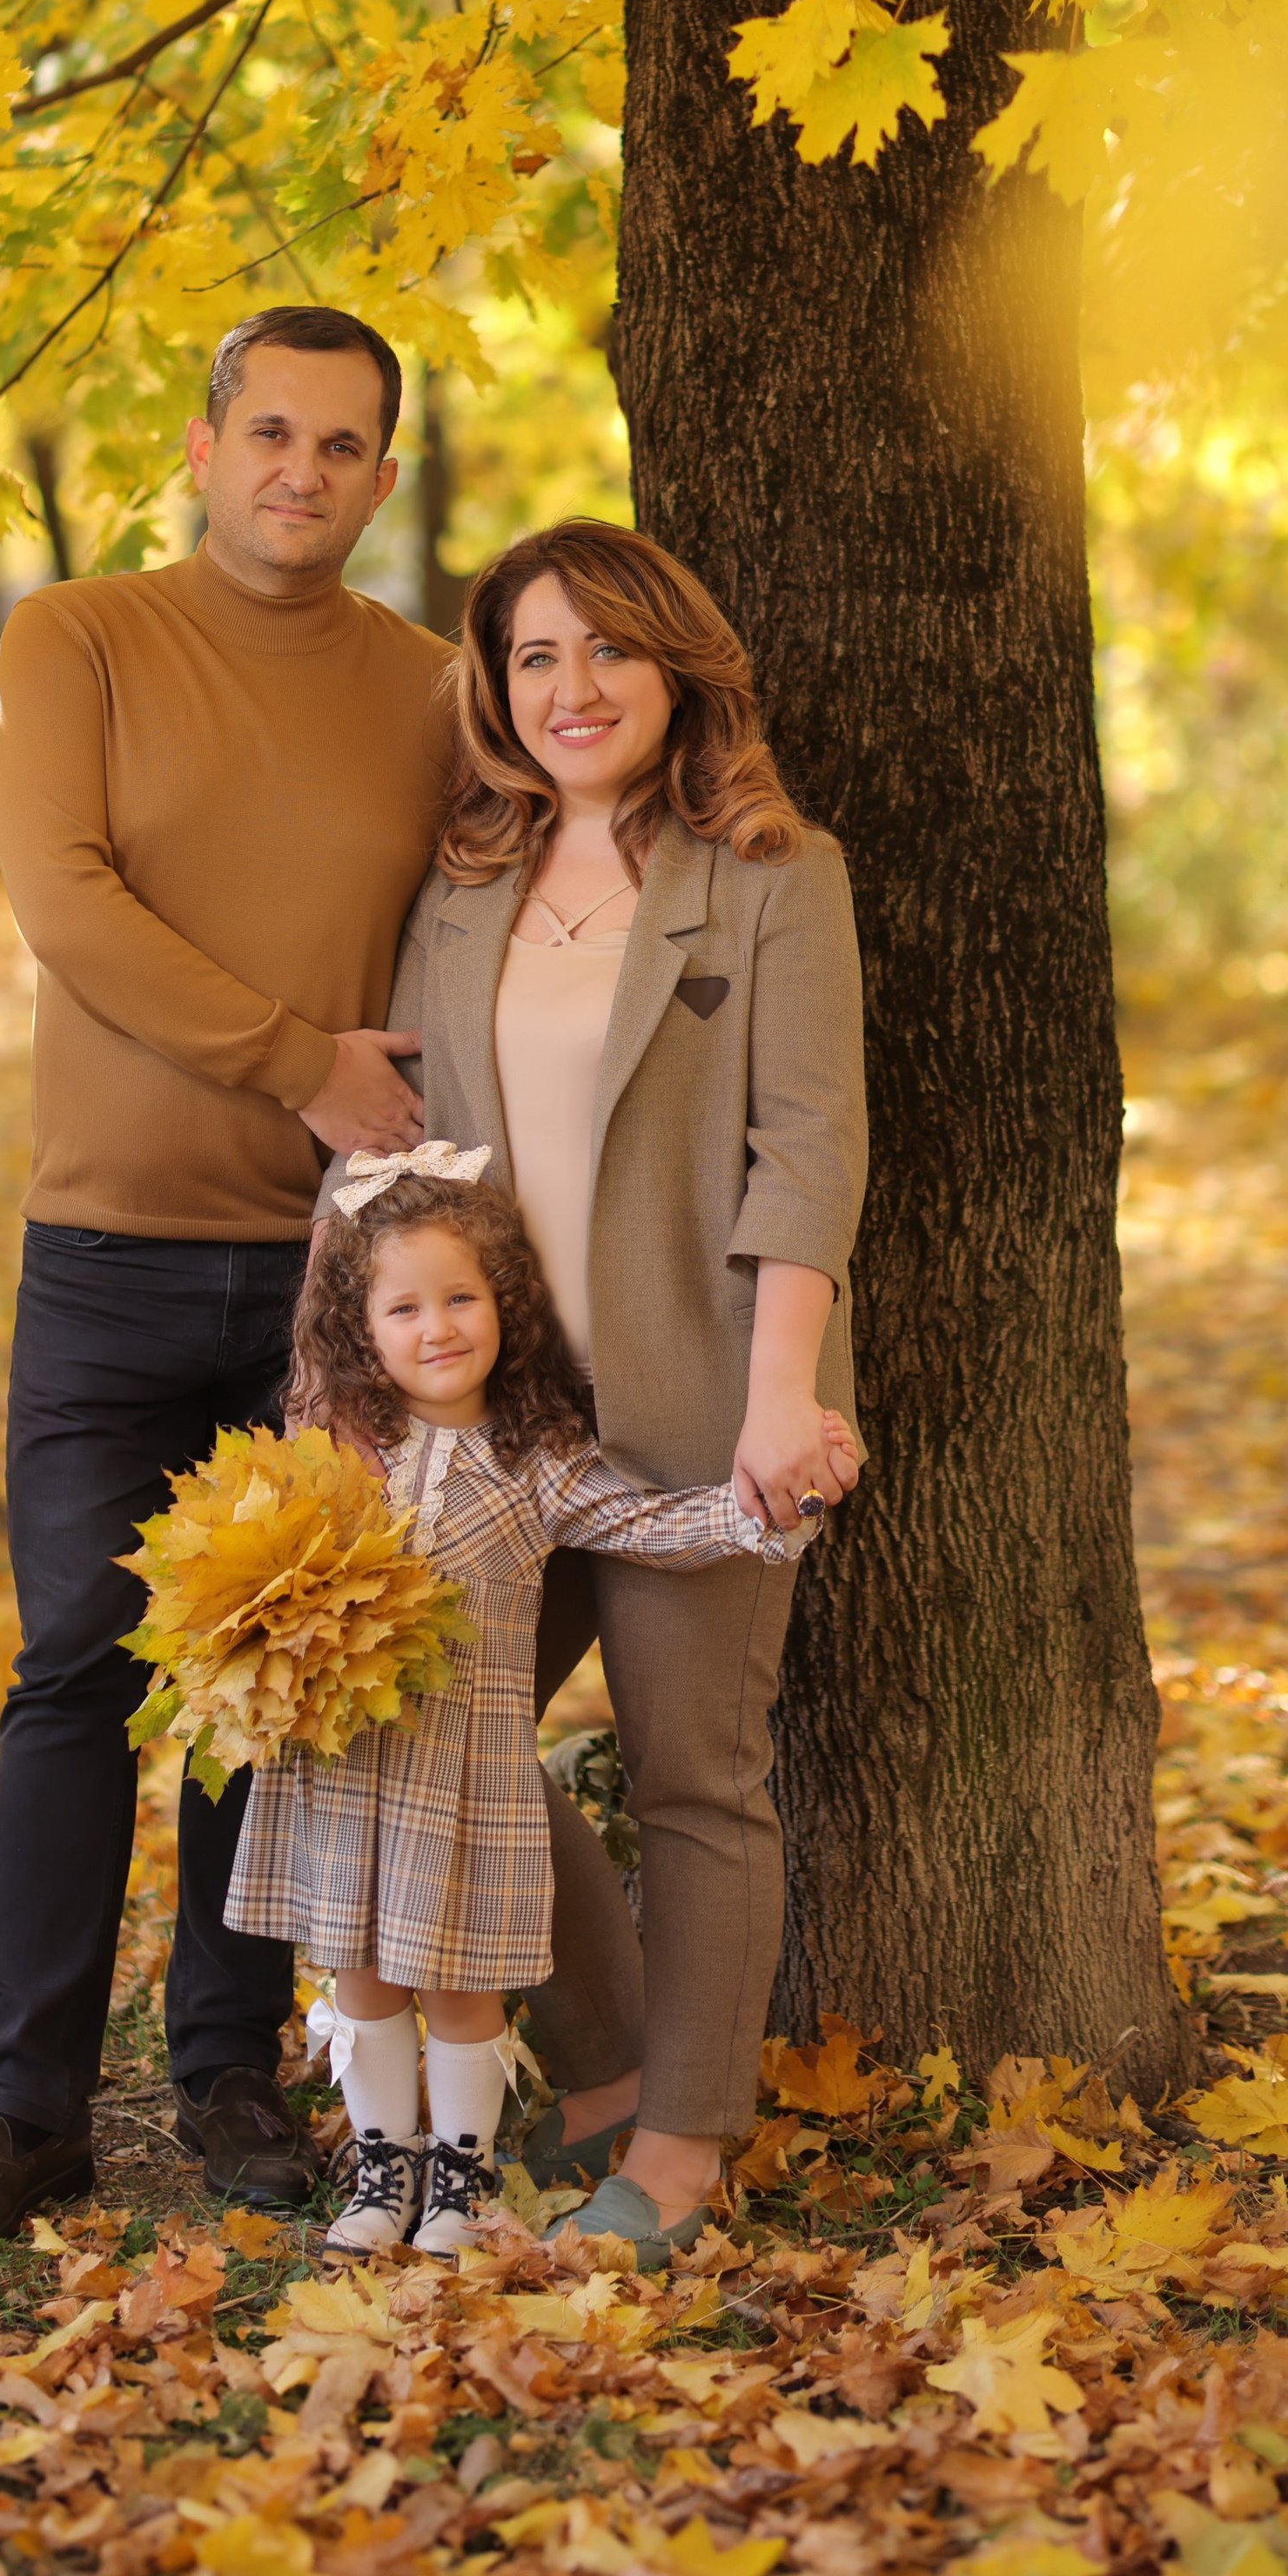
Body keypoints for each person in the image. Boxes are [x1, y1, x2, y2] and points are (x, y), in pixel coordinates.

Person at [0, 303, 453, 2250]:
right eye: (269, 430)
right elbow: (64, 905)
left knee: (268, 1681)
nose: (301, 468)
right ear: (202, 447)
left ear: (381, 476)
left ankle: (224, 2068)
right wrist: (301, 1058)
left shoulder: (434, 685)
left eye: (341, 442)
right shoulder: (77, 637)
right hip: (111, 1255)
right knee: (72, 1665)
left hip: (330, 1277)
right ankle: (28, 2095)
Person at [323, 517, 867, 2265]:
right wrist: (361, 1400)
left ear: (673, 669)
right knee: (428, 1712)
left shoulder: (775, 870)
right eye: (533, 655)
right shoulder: (461, 883)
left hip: (714, 1396)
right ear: (494, 686)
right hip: (501, 1418)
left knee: (693, 1768)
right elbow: (412, 1172)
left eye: (605, 651)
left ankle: (687, 2147)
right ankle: (609, 2058)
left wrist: (780, 1394)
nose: (571, 687)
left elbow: (808, 1150)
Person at [231, 1152, 849, 2262]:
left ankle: (455, 2190)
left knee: (461, 1991)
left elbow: (654, 1527)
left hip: (465, 1778)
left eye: (462, 1298)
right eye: (404, 1307)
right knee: (364, 1982)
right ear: (359, 1327)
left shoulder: (538, 1462)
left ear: (506, 1306)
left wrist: (769, 1509)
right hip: (347, 1770)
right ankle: (384, 2175)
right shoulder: (332, 1459)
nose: (437, 1328)